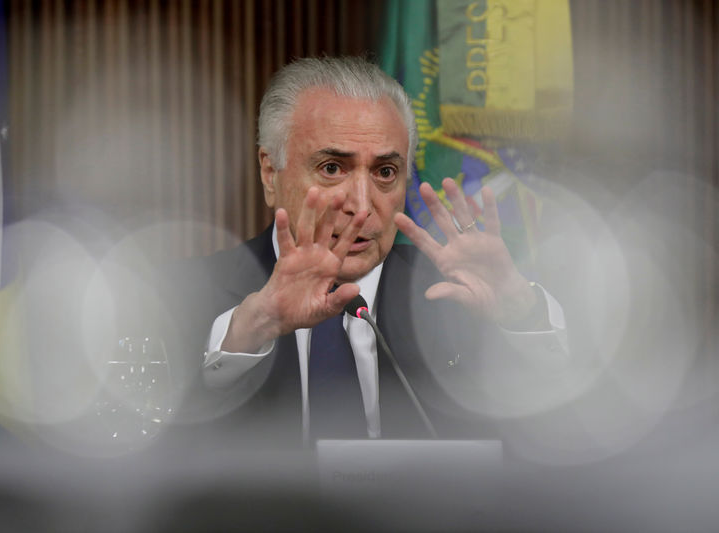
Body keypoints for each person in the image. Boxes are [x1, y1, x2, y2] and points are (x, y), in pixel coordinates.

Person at [169, 57, 566, 449]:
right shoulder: (184, 294)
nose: (362, 206)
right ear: (270, 174)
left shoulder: (457, 295)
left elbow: (559, 433)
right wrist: (248, 332)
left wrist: (521, 313)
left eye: (385, 173)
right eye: (331, 168)